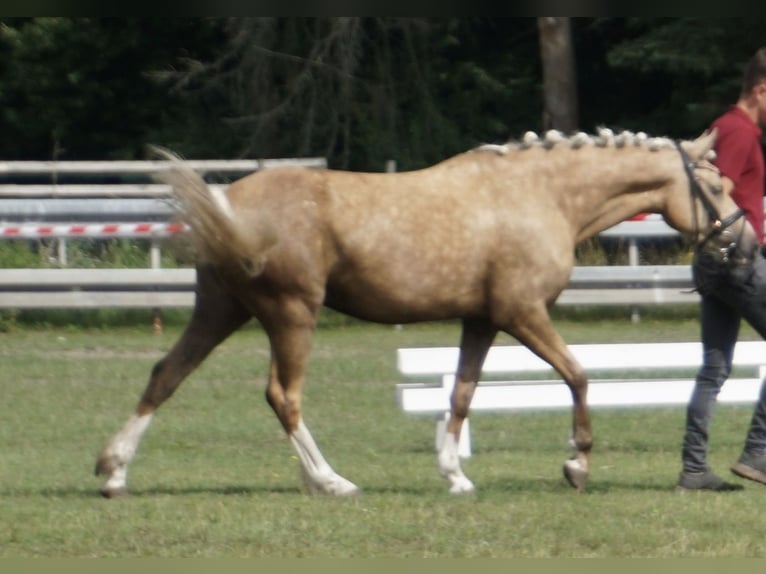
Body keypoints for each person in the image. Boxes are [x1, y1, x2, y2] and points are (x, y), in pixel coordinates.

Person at [677, 47, 766, 492]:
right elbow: (719, 196)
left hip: (715, 263)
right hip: (736, 260)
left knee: (714, 368)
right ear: (761, 89)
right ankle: (758, 454)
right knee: (713, 368)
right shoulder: (740, 132)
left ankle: (694, 470)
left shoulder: (723, 125)